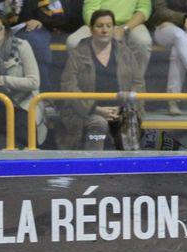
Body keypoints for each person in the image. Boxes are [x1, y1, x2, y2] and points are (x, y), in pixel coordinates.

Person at [58, 9, 145, 149]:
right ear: (91, 30)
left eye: (108, 26)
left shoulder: (126, 53)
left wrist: (123, 108)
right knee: (98, 125)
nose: (104, 30)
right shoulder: (77, 53)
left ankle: (127, 167)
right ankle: (94, 165)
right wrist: (96, 109)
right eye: (100, 26)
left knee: (128, 125)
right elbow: (69, 86)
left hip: (121, 109)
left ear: (113, 29)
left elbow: (138, 83)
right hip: (88, 112)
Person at [0, 11, 47, 149]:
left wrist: (2, 79)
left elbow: (33, 82)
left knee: (18, 120)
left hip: (23, 103)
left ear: (5, 30)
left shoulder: (22, 46)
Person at [66, 0, 152, 77]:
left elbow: (143, 10)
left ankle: (135, 81)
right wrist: (104, 28)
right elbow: (89, 10)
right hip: (98, 23)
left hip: (130, 25)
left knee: (143, 41)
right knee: (73, 42)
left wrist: (124, 29)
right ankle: (86, 82)